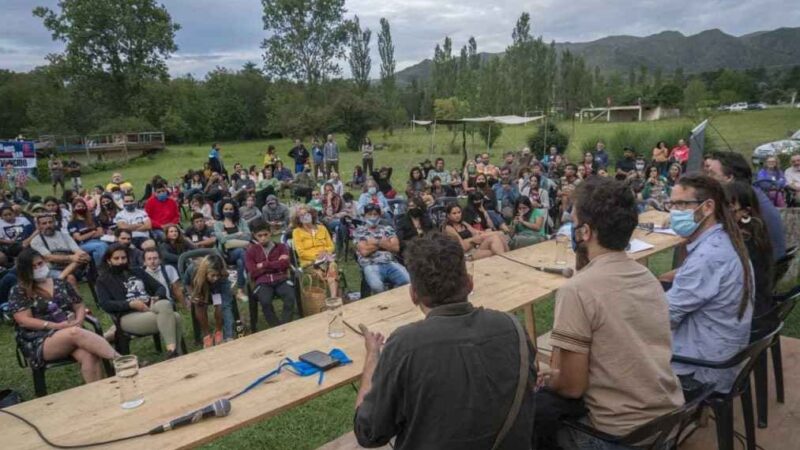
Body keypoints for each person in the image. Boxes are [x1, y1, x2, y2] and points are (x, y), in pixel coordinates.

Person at [536, 177, 683, 449]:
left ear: (586, 232)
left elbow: (572, 387)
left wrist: (550, 377)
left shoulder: (577, 291)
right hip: (668, 422)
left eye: (574, 221)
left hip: (617, 436)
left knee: (535, 412)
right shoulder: (648, 277)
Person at [353, 232, 536, 449]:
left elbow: (368, 432)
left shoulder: (405, 344)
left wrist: (372, 356)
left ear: (413, 295)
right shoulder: (513, 326)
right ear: (469, 283)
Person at [661, 174, 753, 393]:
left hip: (704, 368)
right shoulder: (722, 239)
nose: (674, 211)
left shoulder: (709, 256)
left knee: (614, 348)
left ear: (708, 207)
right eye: (671, 204)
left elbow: (662, 319)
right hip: (720, 352)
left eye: (682, 204)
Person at [10, 248, 118, 383]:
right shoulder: (19, 290)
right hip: (40, 339)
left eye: (40, 264)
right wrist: (57, 326)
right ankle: (121, 361)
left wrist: (79, 320)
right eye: (33, 266)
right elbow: (23, 320)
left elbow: (78, 305)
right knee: (74, 332)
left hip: (71, 331)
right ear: (25, 270)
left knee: (89, 355)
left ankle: (98, 394)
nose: (38, 268)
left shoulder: (60, 283)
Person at [96, 244, 183, 358]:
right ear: (109, 260)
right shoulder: (103, 280)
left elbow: (160, 288)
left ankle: (172, 351)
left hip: (150, 307)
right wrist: (130, 304)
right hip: (128, 316)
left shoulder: (137, 271)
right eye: (116, 258)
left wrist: (156, 297)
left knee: (165, 303)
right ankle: (176, 352)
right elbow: (105, 304)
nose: (121, 261)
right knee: (175, 317)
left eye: (123, 258)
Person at [706, 151, 786, 261]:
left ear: (729, 177)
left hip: (760, 267)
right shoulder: (752, 192)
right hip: (771, 262)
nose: (707, 178)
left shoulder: (738, 199)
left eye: (712, 174)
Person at [724, 181, 776, 334]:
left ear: (746, 212)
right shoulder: (756, 229)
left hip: (745, 315)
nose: (722, 214)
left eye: (729, 208)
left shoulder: (744, 240)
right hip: (759, 307)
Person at [245, 219, 297, 327]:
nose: (263, 238)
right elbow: (253, 272)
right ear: (254, 236)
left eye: (265, 234)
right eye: (260, 235)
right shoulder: (251, 251)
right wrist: (276, 263)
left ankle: (285, 325)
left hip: (281, 278)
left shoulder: (281, 247)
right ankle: (275, 327)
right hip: (262, 282)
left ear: (270, 233)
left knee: (290, 297)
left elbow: (285, 264)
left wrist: (264, 265)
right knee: (265, 302)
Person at [354, 205, 410, 294]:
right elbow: (364, 251)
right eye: (369, 214)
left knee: (408, 281)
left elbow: (396, 248)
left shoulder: (387, 229)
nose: (372, 217)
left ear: (379, 216)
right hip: (371, 265)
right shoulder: (359, 231)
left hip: (390, 262)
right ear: (364, 216)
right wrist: (384, 243)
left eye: (375, 214)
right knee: (377, 287)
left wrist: (375, 242)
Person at [31, 214, 89, 288]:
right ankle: (75, 297)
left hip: (72, 266)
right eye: (44, 223)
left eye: (50, 222)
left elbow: (77, 250)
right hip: (50, 269)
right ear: (39, 226)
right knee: (70, 278)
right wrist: (71, 258)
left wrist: (83, 255)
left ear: (54, 223)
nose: (48, 225)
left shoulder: (65, 236)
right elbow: (49, 257)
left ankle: (62, 276)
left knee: (85, 257)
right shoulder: (36, 241)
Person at [291, 205, 338, 296]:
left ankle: (333, 298)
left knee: (332, 266)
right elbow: (301, 253)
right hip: (309, 262)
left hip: (326, 259)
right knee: (322, 273)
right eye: (301, 215)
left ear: (312, 215)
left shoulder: (322, 228)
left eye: (307, 214)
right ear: (298, 219)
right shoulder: (296, 232)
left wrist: (325, 253)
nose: (305, 216)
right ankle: (326, 300)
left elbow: (331, 246)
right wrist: (317, 256)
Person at [213, 199, 251, 302]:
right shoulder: (218, 224)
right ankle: (252, 275)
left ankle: (240, 291)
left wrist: (229, 236)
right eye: (226, 209)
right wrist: (237, 234)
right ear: (222, 210)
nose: (228, 211)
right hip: (227, 254)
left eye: (231, 209)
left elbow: (248, 237)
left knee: (240, 262)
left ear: (234, 210)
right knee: (241, 252)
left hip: (242, 253)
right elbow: (222, 239)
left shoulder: (241, 221)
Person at [443, 203, 507, 260]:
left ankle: (508, 260)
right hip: (465, 254)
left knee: (498, 236)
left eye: (459, 212)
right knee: (493, 247)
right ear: (448, 215)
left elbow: (476, 233)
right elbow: (463, 247)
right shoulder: (448, 228)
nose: (457, 215)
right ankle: (507, 262)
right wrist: (472, 240)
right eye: (454, 213)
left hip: (475, 248)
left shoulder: (463, 223)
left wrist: (487, 232)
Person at [68, 198, 108, 266]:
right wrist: (92, 232)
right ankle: (103, 267)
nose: (81, 208)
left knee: (96, 253)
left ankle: (97, 270)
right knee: (101, 246)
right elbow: (79, 238)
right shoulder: (72, 223)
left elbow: (101, 232)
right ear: (74, 208)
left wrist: (86, 235)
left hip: (97, 240)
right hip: (83, 245)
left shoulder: (93, 219)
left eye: (83, 206)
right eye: (79, 206)